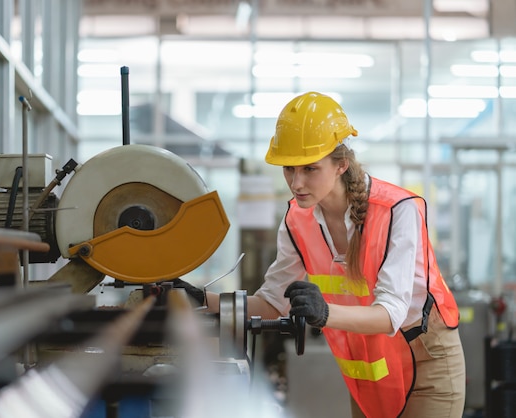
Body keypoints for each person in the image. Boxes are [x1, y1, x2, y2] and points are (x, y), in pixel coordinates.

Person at [177, 91, 466, 418]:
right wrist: (201, 299)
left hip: (425, 356)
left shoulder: (397, 211)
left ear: (341, 164)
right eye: (289, 169)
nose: (296, 183)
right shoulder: (296, 221)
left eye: (310, 169)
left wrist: (324, 312)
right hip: (369, 362)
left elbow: (390, 314)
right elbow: (271, 304)